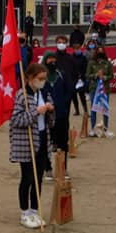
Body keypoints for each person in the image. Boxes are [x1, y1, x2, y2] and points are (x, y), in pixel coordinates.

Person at [9, 62, 55, 229]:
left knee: (38, 178)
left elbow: (51, 118)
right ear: (30, 78)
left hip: (42, 138)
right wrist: (36, 111)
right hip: (26, 142)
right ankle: (24, 212)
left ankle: (35, 210)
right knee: (27, 178)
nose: (42, 81)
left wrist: (50, 110)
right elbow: (16, 120)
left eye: (44, 78)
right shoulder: (22, 95)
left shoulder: (44, 92)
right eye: (39, 78)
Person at [44, 43, 74, 176]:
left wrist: (62, 104)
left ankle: (63, 167)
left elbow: (69, 91)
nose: (52, 62)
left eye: (54, 59)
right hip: (46, 115)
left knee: (63, 143)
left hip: (61, 114)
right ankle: (48, 168)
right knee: (47, 143)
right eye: (49, 60)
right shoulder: (42, 77)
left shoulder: (61, 75)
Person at [86, 45, 114, 135]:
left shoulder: (107, 63)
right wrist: (96, 75)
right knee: (93, 109)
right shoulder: (91, 63)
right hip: (94, 88)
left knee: (105, 109)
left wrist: (104, 77)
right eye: (99, 51)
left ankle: (106, 129)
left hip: (105, 89)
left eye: (102, 51)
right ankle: (93, 129)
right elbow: (87, 75)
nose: (100, 53)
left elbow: (111, 76)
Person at [70, 42, 88, 118]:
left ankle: (86, 111)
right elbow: (69, 68)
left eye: (78, 49)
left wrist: (82, 75)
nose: (77, 50)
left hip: (81, 79)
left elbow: (86, 67)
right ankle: (77, 110)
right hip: (73, 79)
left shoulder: (83, 58)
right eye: (76, 49)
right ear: (73, 49)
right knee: (74, 96)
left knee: (82, 96)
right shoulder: (71, 57)